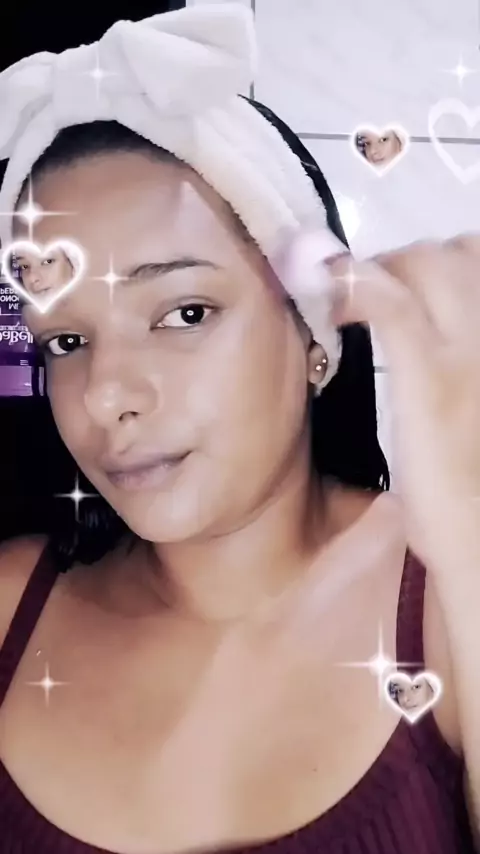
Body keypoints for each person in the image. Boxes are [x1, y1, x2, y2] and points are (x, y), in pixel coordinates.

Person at [0, 6, 479, 854]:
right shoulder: (11, 609)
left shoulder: (448, 599)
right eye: (65, 342)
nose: (105, 395)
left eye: (184, 312)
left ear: (314, 337)